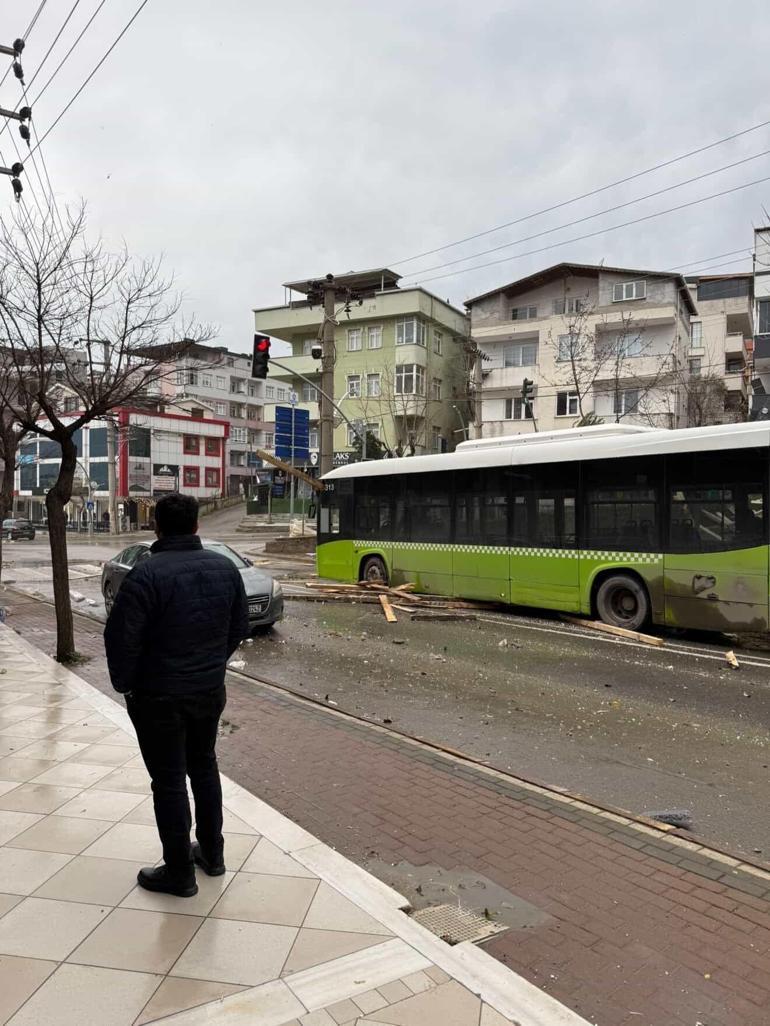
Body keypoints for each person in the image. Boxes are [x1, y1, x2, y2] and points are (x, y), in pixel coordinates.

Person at [104, 492, 249, 897]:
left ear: (157, 526)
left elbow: (120, 639)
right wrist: (212, 662)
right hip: (207, 690)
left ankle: (179, 871)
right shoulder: (224, 569)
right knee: (204, 767)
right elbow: (239, 626)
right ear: (197, 525)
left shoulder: (146, 575)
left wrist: (127, 685)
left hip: (159, 697)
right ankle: (213, 854)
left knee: (168, 781)